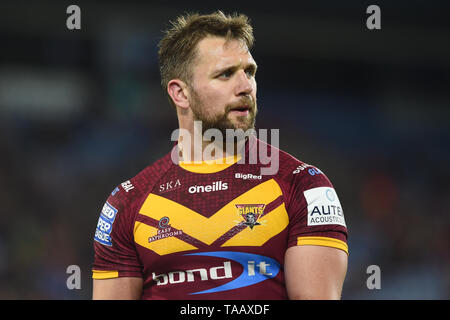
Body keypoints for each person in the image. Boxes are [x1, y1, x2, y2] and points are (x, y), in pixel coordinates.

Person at [92, 11, 348, 300]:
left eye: (249, 72)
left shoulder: (304, 187)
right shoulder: (127, 203)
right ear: (180, 93)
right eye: (225, 74)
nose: (245, 87)